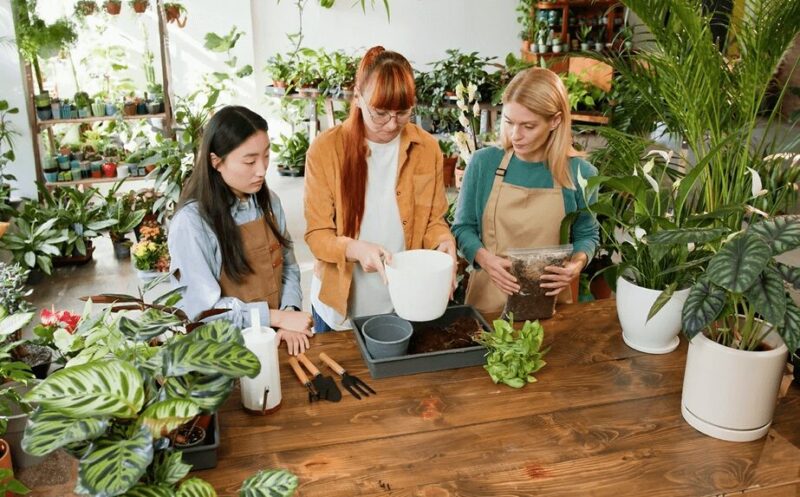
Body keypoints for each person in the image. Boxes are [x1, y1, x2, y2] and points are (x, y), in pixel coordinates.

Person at [305, 46, 456, 332]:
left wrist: (443, 241)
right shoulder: (326, 150)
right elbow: (317, 235)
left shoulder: (427, 148)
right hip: (341, 308)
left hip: (405, 302)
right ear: (358, 97)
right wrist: (356, 249)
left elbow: (434, 221)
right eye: (380, 113)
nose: (391, 124)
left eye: (402, 113)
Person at [452, 67, 599, 315]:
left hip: (550, 304)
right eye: (509, 122)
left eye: (528, 126)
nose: (515, 135)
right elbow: (462, 228)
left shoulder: (580, 173)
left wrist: (576, 265)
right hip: (489, 300)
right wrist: (485, 260)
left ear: (555, 121)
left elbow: (587, 234)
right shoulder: (483, 163)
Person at [168, 105, 313, 355]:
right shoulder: (192, 223)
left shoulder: (269, 203)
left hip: (274, 341)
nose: (262, 169)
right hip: (223, 354)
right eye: (249, 161)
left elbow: (288, 266)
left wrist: (289, 312)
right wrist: (274, 317)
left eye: (266, 155)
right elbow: (203, 312)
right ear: (216, 162)